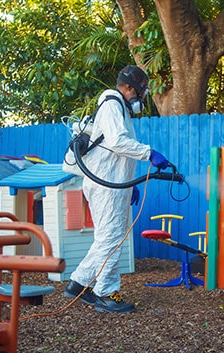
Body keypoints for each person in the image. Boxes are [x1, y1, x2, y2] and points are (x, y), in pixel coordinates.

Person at [64, 65, 169, 313]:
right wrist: (149, 153)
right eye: (142, 92)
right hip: (105, 186)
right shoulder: (112, 104)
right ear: (129, 88)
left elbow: (115, 155)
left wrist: (128, 184)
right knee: (111, 239)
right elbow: (117, 143)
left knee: (107, 239)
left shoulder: (119, 108)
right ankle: (105, 293)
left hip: (112, 185)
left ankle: (78, 284)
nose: (142, 97)